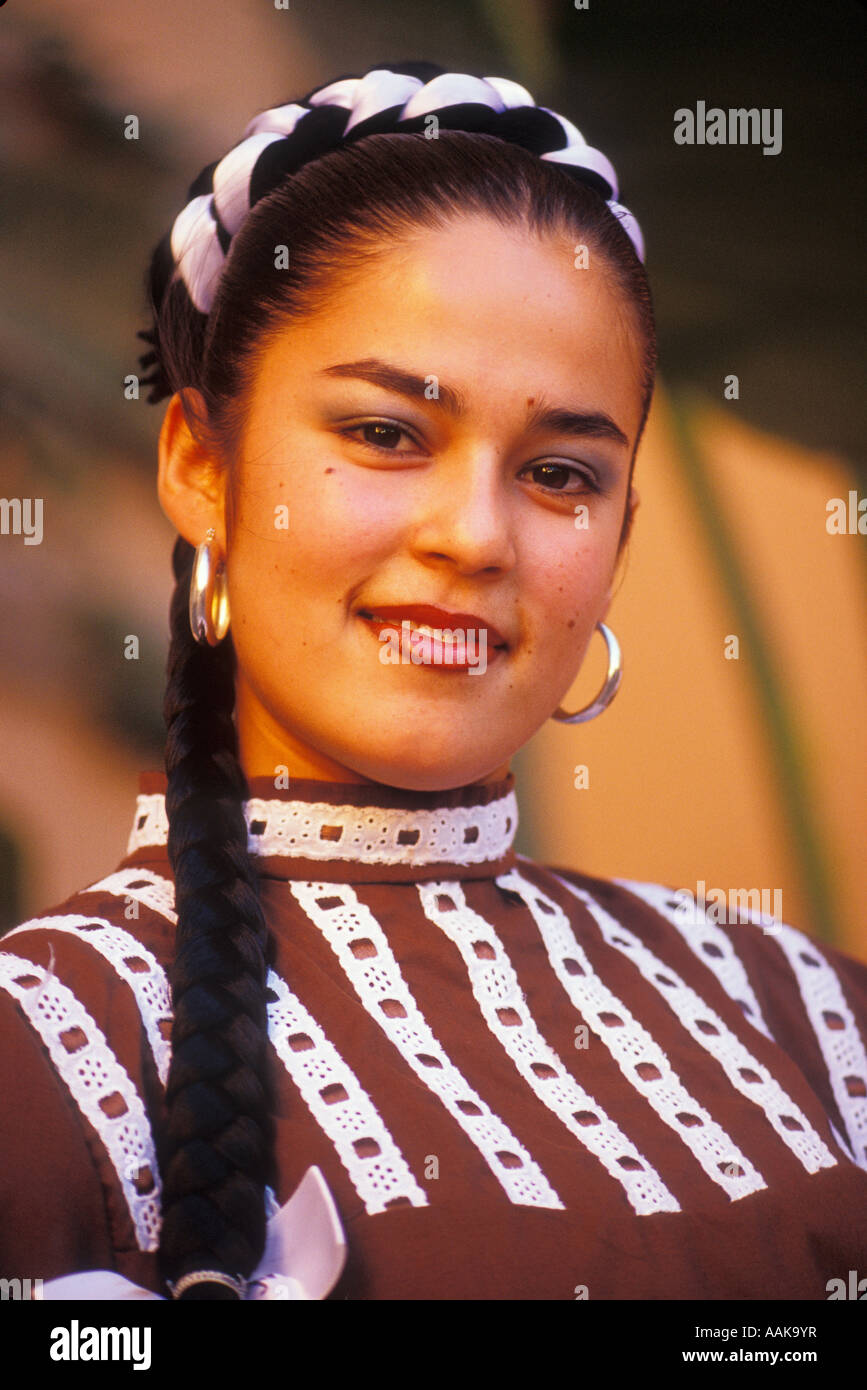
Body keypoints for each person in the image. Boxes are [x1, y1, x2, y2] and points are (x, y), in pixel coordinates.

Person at [1, 59, 866, 1302]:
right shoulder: (42, 1054)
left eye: (562, 473)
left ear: (619, 538)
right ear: (201, 467)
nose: (476, 536)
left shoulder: (809, 1016)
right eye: (387, 434)